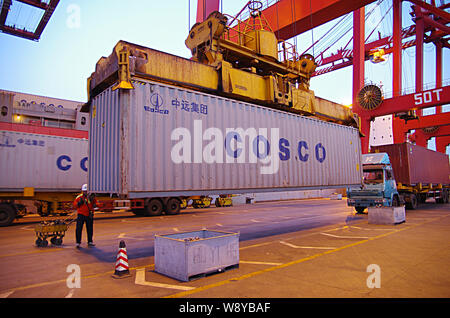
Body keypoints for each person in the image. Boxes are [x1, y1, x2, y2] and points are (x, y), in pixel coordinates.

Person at [73, 184, 99, 248]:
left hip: (89, 215)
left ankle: (90, 241)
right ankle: (78, 242)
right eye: (84, 191)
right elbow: (75, 205)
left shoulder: (92, 197)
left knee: (90, 229)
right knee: (79, 229)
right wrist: (79, 203)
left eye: (86, 191)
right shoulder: (79, 197)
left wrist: (95, 205)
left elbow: (96, 204)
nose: (85, 192)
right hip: (81, 215)